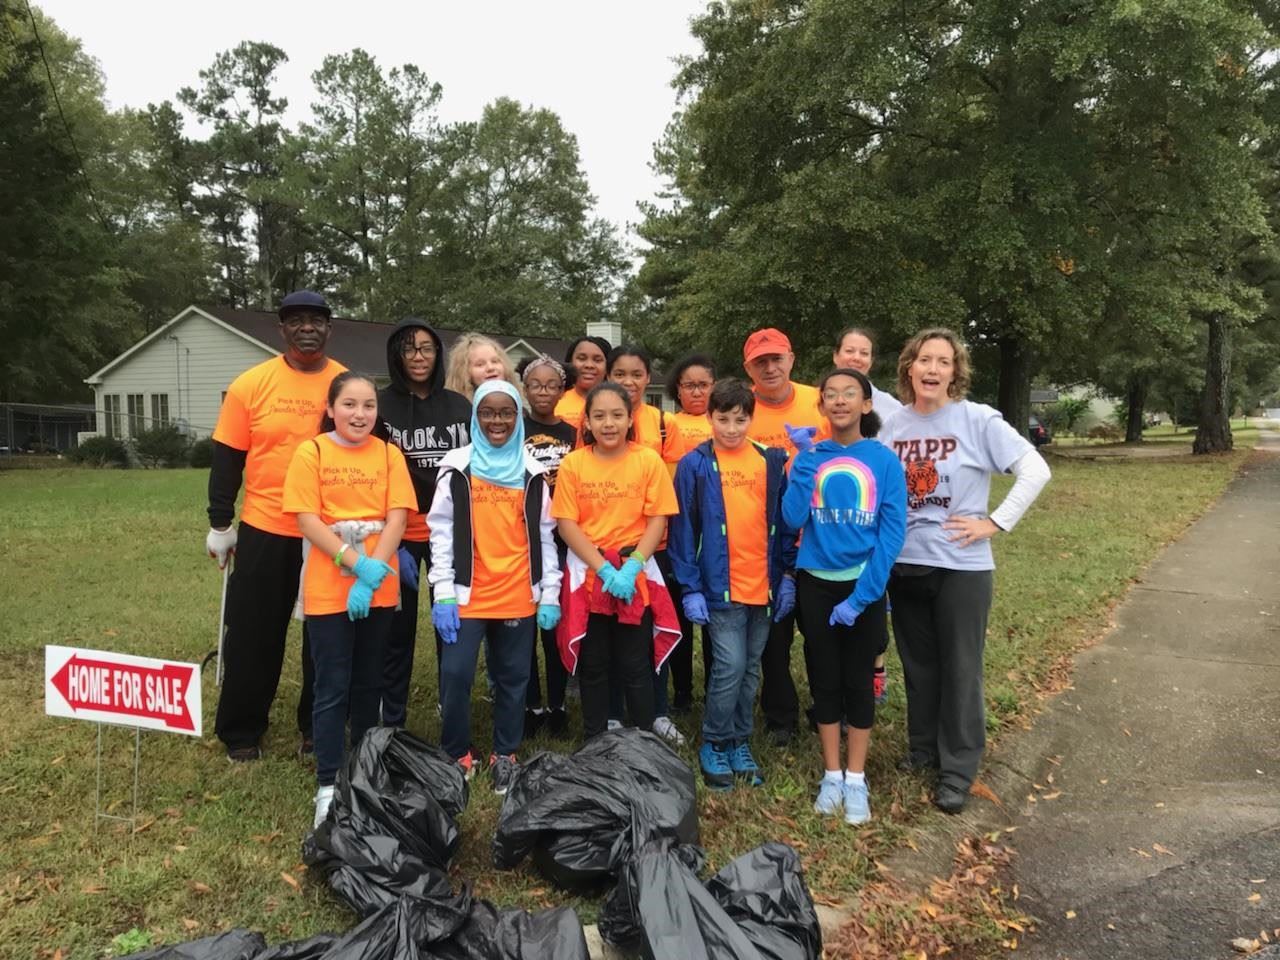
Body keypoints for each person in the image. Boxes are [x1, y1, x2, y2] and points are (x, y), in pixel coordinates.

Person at [879, 329, 1050, 814]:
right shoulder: (892, 427)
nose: (932, 369)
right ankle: (923, 749)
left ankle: (957, 770)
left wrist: (995, 522)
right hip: (906, 564)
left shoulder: (977, 420)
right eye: (924, 360)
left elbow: (1036, 469)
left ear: (955, 371)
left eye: (943, 361)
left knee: (960, 668)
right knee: (918, 665)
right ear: (909, 367)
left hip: (961, 566)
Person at [205, 290, 347, 762]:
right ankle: (241, 731)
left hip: (329, 532)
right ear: (281, 328)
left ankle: (317, 728)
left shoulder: (345, 384)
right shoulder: (251, 384)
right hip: (266, 526)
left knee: (324, 637)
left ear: (329, 328)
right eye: (296, 320)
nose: (307, 328)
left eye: (317, 321)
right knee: (253, 634)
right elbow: (228, 458)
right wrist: (220, 523)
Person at [281, 371, 414, 828]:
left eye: (369, 406)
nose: (360, 414)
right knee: (332, 684)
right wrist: (354, 563)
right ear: (331, 409)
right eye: (350, 405)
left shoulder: (389, 453)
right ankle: (327, 784)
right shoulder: (312, 452)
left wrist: (372, 573)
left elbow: (397, 518)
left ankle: (365, 773)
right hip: (329, 583)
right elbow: (306, 519)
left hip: (379, 583)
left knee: (369, 683)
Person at [782, 368, 906, 824]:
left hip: (862, 586)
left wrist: (863, 596)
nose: (838, 400)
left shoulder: (883, 460)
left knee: (858, 681)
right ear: (821, 405)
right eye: (830, 394)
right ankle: (831, 775)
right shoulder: (811, 456)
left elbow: (892, 534)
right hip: (815, 583)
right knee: (824, 679)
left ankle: (856, 778)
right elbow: (792, 519)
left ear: (866, 404)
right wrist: (803, 464)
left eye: (849, 393)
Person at [426, 381, 562, 793]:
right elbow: (441, 530)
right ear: (475, 417)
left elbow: (544, 536)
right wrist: (443, 591)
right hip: (467, 594)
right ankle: (456, 753)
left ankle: (506, 753)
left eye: (506, 413)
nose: (497, 421)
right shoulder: (457, 466)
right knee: (455, 674)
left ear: (518, 417)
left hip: (518, 592)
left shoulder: (532, 471)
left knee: (513, 677)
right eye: (488, 412)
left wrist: (549, 593)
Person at [669, 378, 796, 791]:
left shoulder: (769, 460)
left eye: (740, 420)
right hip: (720, 586)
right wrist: (689, 586)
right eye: (722, 419)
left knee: (751, 669)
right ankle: (714, 741)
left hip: (764, 585)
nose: (731, 428)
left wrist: (787, 575)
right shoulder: (695, 464)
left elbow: (784, 522)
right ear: (709, 417)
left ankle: (740, 741)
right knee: (730, 667)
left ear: (751, 419)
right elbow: (683, 530)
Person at [552, 382, 681, 740]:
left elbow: (658, 519)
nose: (608, 423)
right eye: (599, 416)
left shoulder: (648, 460)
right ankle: (595, 740)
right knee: (593, 663)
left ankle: (643, 742)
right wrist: (604, 568)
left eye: (616, 415)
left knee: (635, 663)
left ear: (629, 420)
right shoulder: (574, 463)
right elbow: (566, 523)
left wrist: (634, 564)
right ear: (587, 422)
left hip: (634, 576)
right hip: (590, 575)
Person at [374, 318, 471, 729]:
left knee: (452, 625)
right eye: (409, 348)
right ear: (396, 355)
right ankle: (391, 716)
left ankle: (451, 707)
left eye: (427, 348)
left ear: (438, 354)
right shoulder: (379, 407)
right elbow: (371, 472)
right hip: (399, 533)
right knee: (396, 631)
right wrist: (389, 541)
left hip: (450, 532)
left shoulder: (460, 406)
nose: (418, 356)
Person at [741, 326, 827, 745]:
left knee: (821, 632)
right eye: (760, 362)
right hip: (765, 538)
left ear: (791, 359)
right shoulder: (741, 409)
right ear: (748, 369)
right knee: (773, 638)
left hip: (821, 535)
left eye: (776, 358)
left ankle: (827, 708)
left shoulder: (820, 400)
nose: (770, 368)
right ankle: (780, 716)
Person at [606, 345, 688, 741]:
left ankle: (657, 710)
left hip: (655, 546)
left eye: (636, 374)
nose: (628, 382)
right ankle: (614, 711)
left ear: (648, 378)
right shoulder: (599, 414)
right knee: (613, 633)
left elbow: (670, 487)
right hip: (610, 547)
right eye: (620, 374)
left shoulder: (662, 423)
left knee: (654, 627)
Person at [833, 326, 902, 706]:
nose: (856, 358)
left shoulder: (889, 407)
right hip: (831, 518)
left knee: (874, 599)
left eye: (864, 352)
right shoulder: (826, 398)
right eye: (850, 350)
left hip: (871, 517)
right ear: (836, 356)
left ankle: (875, 670)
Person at [517, 355, 578, 739]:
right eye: (536, 385)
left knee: (554, 626)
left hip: (562, 536)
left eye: (551, 385)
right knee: (524, 627)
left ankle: (557, 705)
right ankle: (530, 705)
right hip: (522, 538)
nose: (543, 391)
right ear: (525, 389)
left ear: (562, 390)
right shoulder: (514, 428)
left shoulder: (573, 433)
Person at [554, 335, 611, 431]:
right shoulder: (555, 401)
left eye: (597, 360)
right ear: (570, 363)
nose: (589, 365)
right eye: (582, 358)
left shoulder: (619, 402)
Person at [443, 332, 520, 400]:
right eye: (480, 364)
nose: (490, 368)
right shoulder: (457, 409)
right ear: (464, 373)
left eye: (495, 361)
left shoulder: (519, 409)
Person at [667, 354, 717, 449]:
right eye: (689, 386)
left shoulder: (728, 422)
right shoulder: (666, 423)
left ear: (714, 387)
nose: (696, 393)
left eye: (704, 385)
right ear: (678, 389)